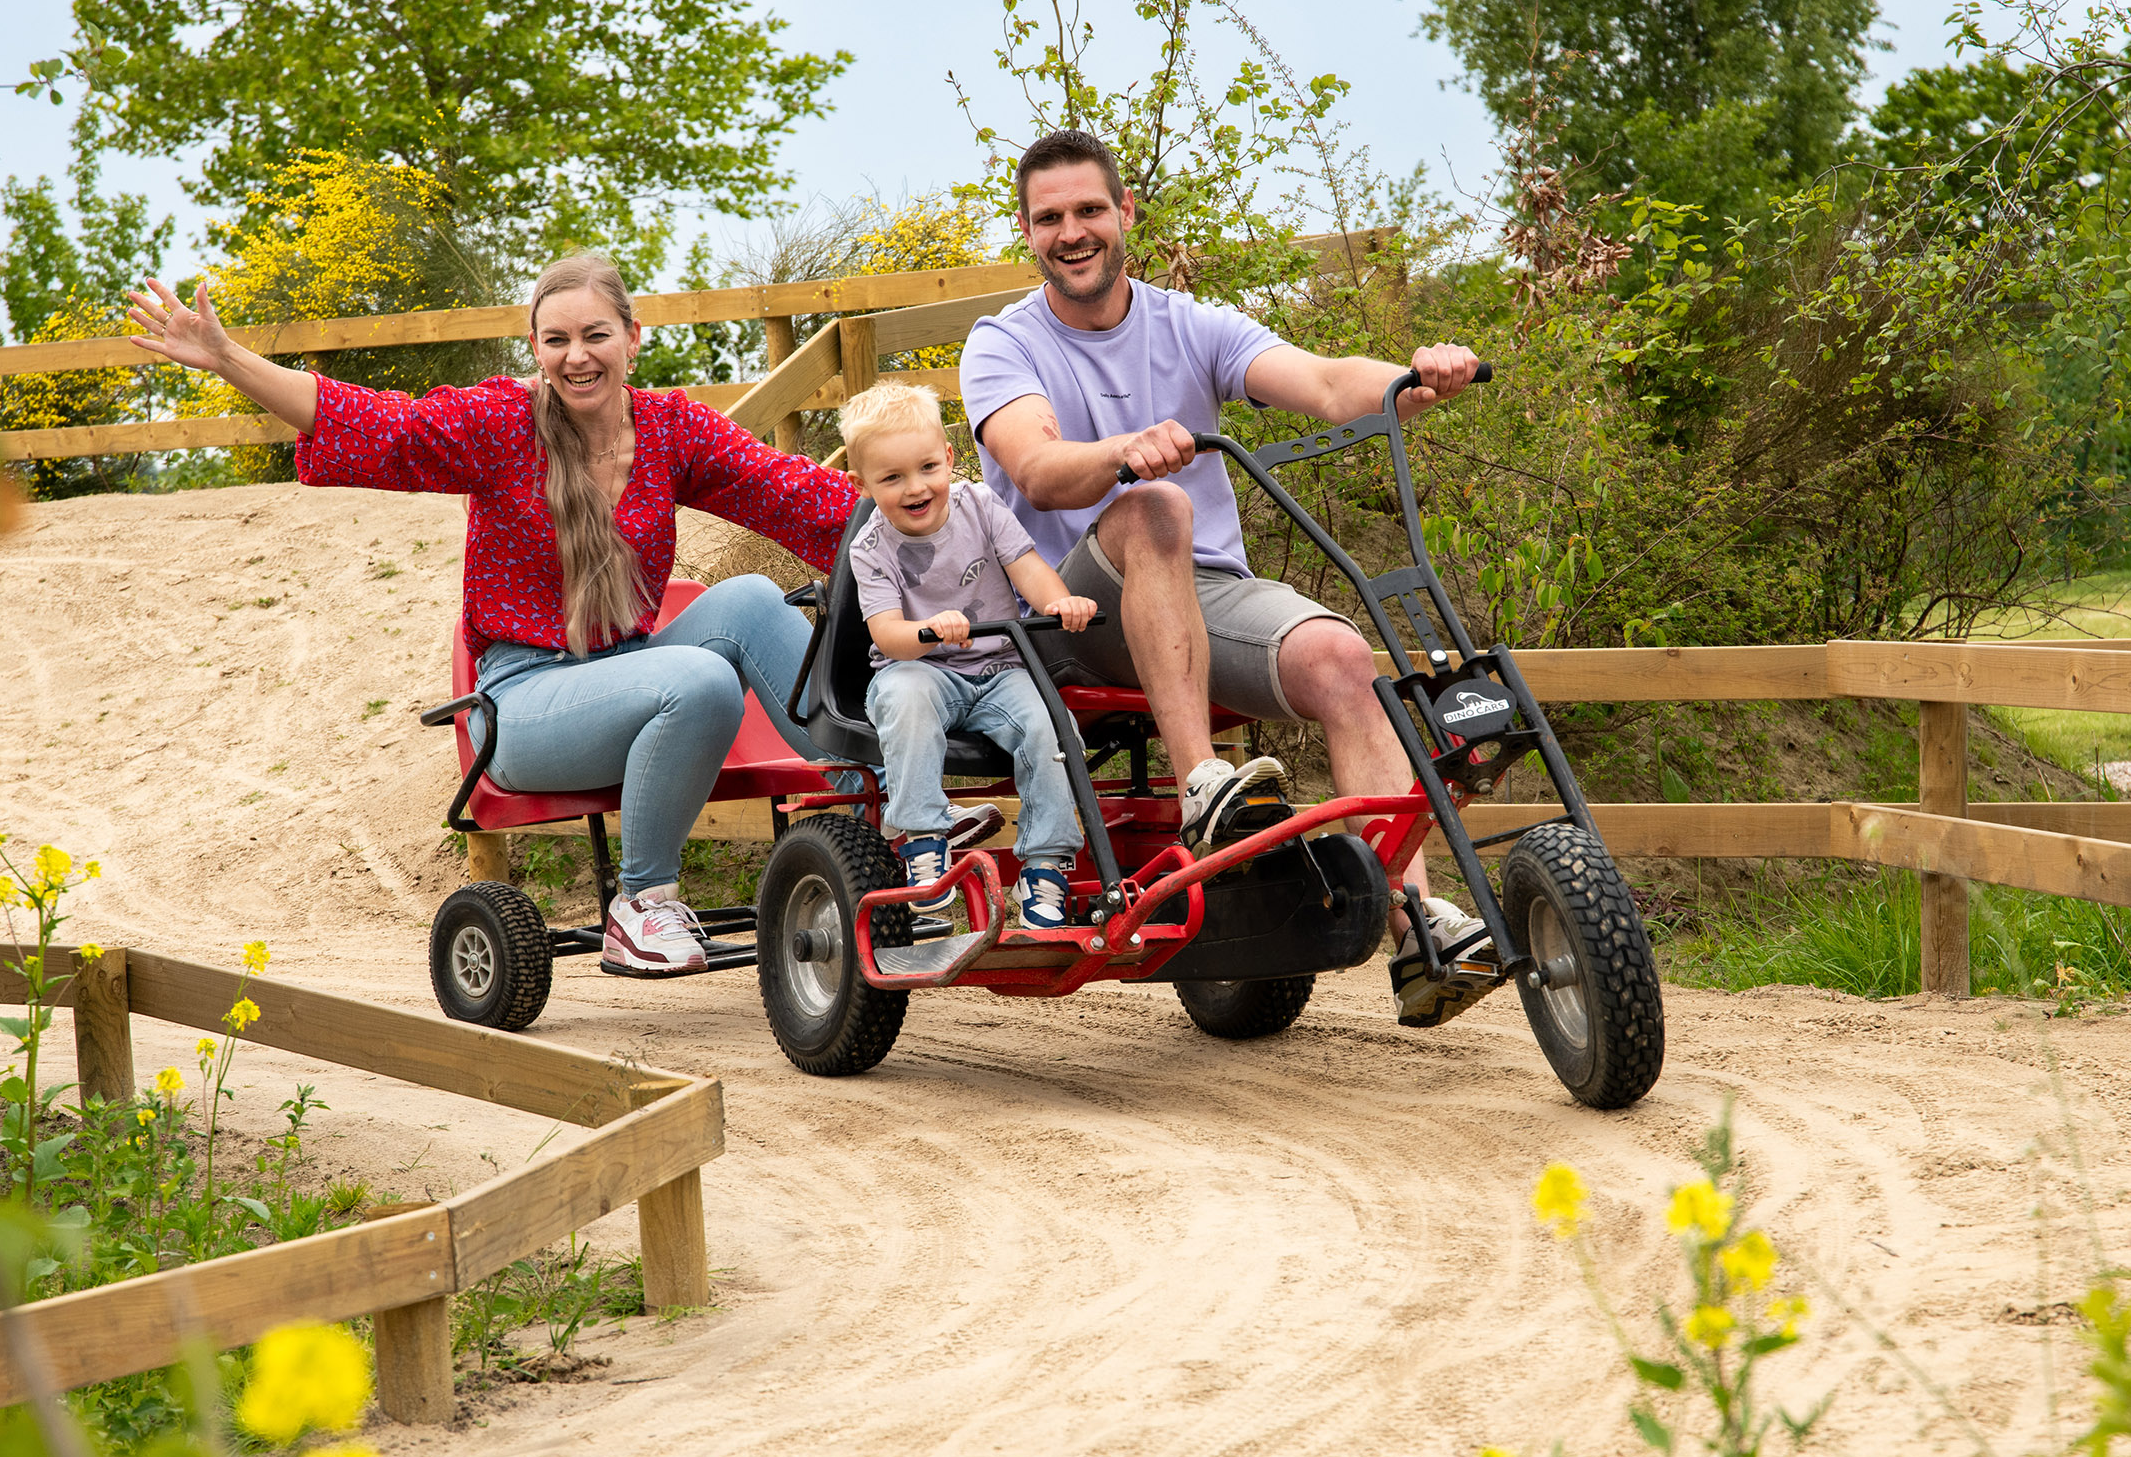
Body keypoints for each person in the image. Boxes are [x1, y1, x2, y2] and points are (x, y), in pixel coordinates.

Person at [125, 251, 858, 977]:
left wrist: (917, 508)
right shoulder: (503, 423)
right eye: (557, 340)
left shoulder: (672, 430)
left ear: (633, 340)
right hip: (524, 701)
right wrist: (228, 359)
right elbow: (378, 424)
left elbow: (790, 493)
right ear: (536, 349)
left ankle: (886, 805)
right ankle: (641, 906)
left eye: (596, 335)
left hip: (631, 664)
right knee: (699, 679)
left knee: (755, 599)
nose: (578, 356)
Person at [957, 127, 1489, 968]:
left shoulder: (1189, 322)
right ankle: (1203, 785)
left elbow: (1319, 381)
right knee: (1158, 506)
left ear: (1125, 211)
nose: (1073, 232)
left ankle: (1418, 927)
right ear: (1027, 232)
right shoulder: (1003, 343)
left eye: (1090, 209)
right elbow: (1038, 467)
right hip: (1070, 614)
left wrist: (1411, 380)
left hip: (1202, 592)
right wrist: (1123, 454)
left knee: (1343, 657)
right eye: (1050, 217)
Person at [842, 381, 1097, 931]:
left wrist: (1061, 602)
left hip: (1001, 669)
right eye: (892, 478)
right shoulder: (872, 548)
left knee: (1052, 727)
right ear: (862, 485)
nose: (916, 487)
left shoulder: (981, 505)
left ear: (949, 459)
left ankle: (1047, 865)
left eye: (928, 467)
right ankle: (925, 840)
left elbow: (1028, 570)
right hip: (919, 670)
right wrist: (930, 632)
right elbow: (887, 636)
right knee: (904, 696)